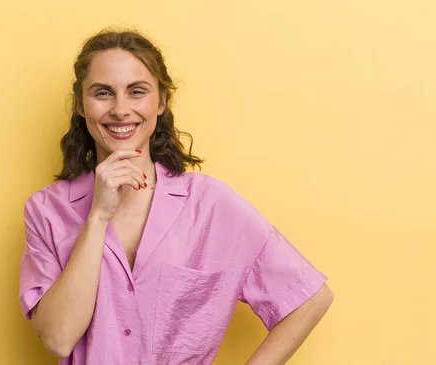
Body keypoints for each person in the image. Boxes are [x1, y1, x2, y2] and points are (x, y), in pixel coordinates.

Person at [18, 28, 334, 365]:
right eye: (103, 93)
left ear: (161, 101)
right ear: (81, 104)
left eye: (137, 91)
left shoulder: (210, 204)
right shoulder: (46, 211)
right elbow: (58, 339)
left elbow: (310, 298)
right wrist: (98, 216)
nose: (121, 109)